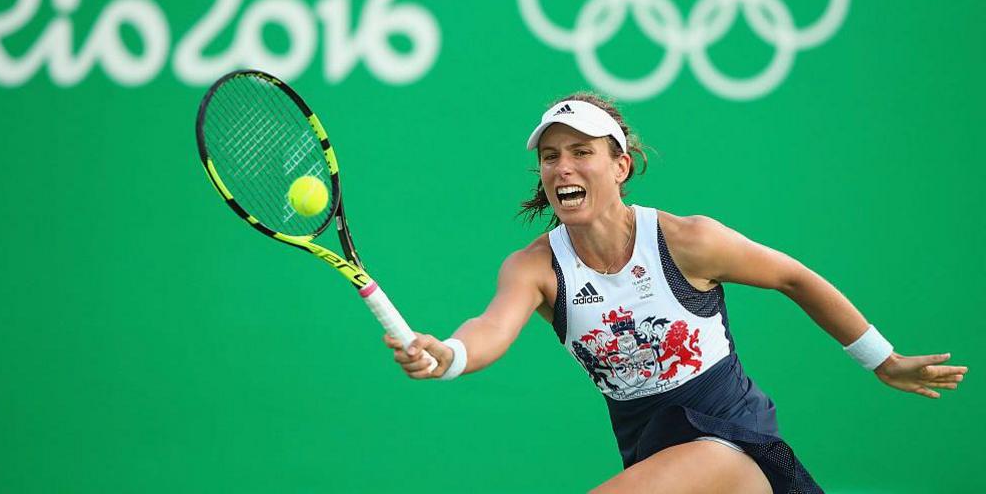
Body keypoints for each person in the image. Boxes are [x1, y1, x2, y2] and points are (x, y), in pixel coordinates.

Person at [383, 93, 968, 494]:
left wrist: (882, 360)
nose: (563, 167)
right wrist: (448, 356)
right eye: (550, 156)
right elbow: (490, 328)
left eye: (582, 152)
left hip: (734, 441)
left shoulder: (689, 240)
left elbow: (795, 277)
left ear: (621, 166)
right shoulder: (535, 268)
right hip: (652, 453)